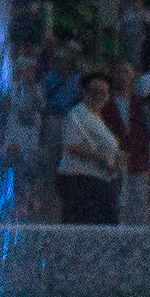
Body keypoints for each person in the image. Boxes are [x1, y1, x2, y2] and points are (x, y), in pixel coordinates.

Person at [54, 71, 126, 225]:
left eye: (104, 92)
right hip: (80, 181)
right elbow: (72, 146)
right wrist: (101, 157)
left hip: (100, 182)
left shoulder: (98, 119)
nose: (99, 96)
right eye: (95, 92)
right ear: (84, 92)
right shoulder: (76, 115)